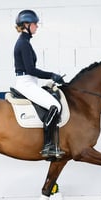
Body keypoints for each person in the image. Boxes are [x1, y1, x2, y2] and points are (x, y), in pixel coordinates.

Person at [13, 9, 65, 159]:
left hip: (29, 82)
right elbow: (31, 69)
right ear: (26, 24)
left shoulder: (25, 42)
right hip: (26, 83)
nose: (37, 26)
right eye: (35, 24)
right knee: (55, 106)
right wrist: (52, 75)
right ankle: (48, 146)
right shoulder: (23, 43)